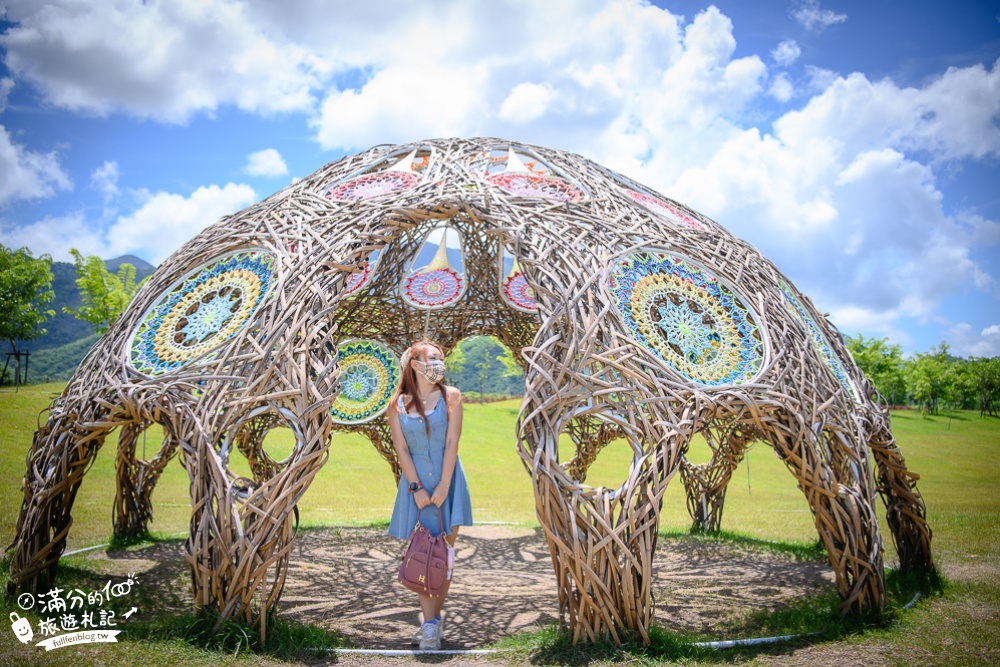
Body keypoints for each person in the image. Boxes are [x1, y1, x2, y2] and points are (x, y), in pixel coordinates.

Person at [387, 340, 473, 650]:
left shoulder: (451, 397)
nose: (439, 363)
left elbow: (453, 442)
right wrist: (416, 488)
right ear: (414, 363)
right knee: (426, 550)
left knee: (443, 556)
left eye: (441, 358)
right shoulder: (397, 404)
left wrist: (445, 485)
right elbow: (402, 449)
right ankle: (431, 624)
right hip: (418, 487)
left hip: (448, 484)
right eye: (433, 357)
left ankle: (431, 623)